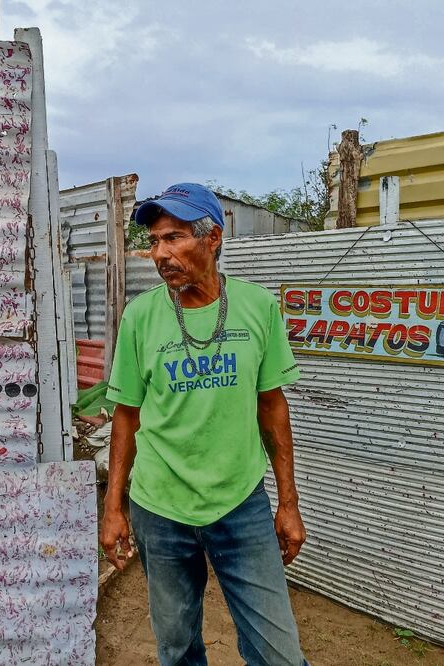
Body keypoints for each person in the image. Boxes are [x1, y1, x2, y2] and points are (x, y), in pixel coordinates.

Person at [99, 182, 309, 666]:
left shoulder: (258, 308)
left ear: (212, 237)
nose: (160, 254)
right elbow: (126, 416)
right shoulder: (140, 317)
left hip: (240, 503)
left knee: (279, 652)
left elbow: (273, 407)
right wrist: (114, 508)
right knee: (176, 647)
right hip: (160, 507)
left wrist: (288, 503)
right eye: (154, 242)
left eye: (173, 238)